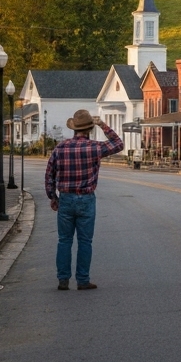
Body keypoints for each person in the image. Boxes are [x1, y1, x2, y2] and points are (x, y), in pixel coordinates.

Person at [45, 109, 124, 290]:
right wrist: (102, 125)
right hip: (86, 199)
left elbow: (50, 174)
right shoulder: (95, 148)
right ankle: (83, 280)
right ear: (89, 130)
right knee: (85, 241)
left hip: (65, 198)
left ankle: (63, 280)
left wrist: (53, 197)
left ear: (73, 129)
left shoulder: (60, 148)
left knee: (64, 240)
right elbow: (118, 144)